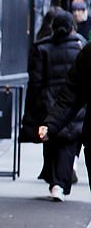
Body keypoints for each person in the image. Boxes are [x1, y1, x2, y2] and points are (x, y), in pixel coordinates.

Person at [31, 12, 86, 199]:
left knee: (52, 141)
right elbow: (74, 91)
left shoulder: (43, 48)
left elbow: (36, 82)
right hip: (69, 105)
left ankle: (55, 181)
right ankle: (59, 183)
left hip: (51, 101)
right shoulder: (81, 48)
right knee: (68, 144)